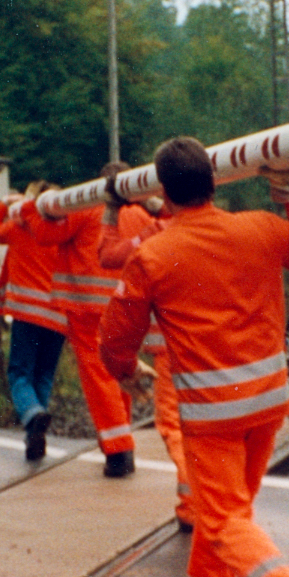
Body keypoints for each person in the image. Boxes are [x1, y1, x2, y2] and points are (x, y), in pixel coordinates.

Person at [98, 137, 289, 577]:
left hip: (212, 416)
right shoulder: (259, 228)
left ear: (163, 192)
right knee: (224, 515)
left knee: (226, 521)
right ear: (213, 180)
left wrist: (124, 370)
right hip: (268, 404)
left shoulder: (154, 256)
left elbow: (116, 338)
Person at [20, 165, 136, 477]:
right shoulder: (138, 212)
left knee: (99, 376)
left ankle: (118, 450)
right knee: (121, 372)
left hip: (88, 306)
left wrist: (29, 206)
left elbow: (45, 235)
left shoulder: (87, 208)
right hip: (127, 304)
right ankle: (121, 438)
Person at [97, 182, 193, 531]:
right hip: (218, 346)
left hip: (172, 349)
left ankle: (194, 506)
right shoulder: (227, 228)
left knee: (175, 424)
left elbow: (108, 256)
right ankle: (217, 502)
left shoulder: (157, 232)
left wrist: (112, 211)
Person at [0, 181, 68, 462]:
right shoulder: (64, 232)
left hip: (27, 314)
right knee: (44, 374)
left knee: (19, 373)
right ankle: (35, 432)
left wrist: (5, 203)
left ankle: (33, 416)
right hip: (58, 315)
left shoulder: (18, 229)